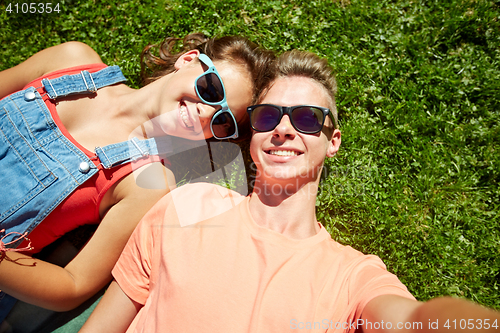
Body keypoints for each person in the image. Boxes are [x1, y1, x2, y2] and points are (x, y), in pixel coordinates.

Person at [80, 50, 500, 333]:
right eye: (267, 117)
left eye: (305, 117)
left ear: (332, 141)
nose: (283, 129)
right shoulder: (187, 205)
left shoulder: (351, 276)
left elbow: (409, 318)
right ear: (252, 136)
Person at [0, 32, 275, 325]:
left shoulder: (149, 181)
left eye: (222, 120)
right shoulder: (72, 60)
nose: (205, 113)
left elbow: (73, 283)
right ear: (188, 60)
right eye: (211, 89)